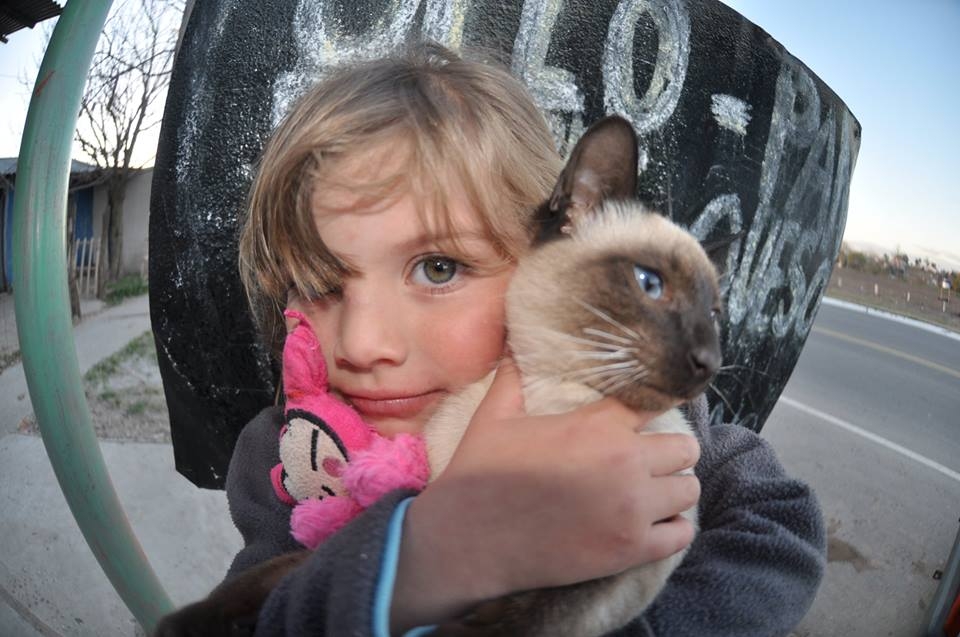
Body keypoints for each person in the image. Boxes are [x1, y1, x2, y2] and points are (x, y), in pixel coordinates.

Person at [228, 43, 826, 636]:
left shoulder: (634, 410)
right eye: (320, 283)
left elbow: (781, 524)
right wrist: (423, 561)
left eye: (439, 268)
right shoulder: (288, 457)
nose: (362, 344)